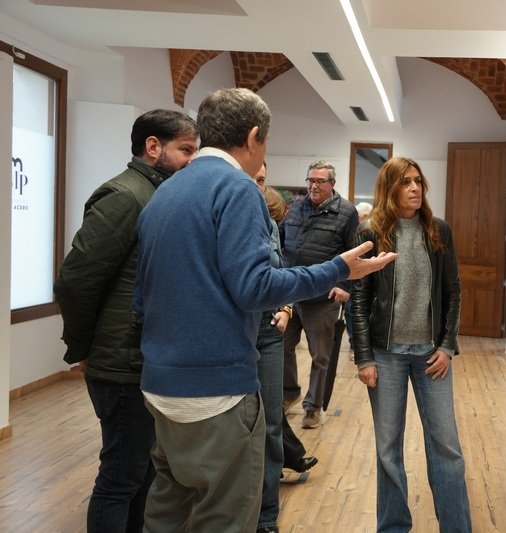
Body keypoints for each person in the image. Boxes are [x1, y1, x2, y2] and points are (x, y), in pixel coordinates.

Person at [133, 87, 396, 533]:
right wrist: (337, 270)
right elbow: (255, 288)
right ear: (254, 137)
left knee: (167, 512)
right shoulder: (237, 189)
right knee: (224, 516)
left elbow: (142, 296)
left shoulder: (165, 190)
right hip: (215, 393)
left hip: (161, 387)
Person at [53, 109, 198, 533]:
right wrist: (83, 348)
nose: (193, 159)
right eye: (186, 149)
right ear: (153, 147)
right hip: (121, 365)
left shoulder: (156, 194)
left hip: (144, 361)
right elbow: (76, 281)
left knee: (143, 475)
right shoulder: (125, 196)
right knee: (121, 478)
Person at [350, 156, 472, 533]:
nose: (415, 188)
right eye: (405, 182)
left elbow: (453, 291)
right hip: (385, 356)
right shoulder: (370, 235)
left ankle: (456, 527)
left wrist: (448, 345)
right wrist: (364, 357)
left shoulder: (438, 231)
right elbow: (359, 299)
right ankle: (393, 527)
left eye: (418, 181)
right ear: (390, 188)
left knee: (447, 447)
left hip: (429, 355)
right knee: (388, 449)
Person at [253, 163, 317, 533]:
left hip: (268, 330)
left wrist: (287, 306)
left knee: (271, 423)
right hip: (239, 332)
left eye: (262, 180)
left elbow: (280, 271)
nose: (257, 187)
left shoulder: (274, 226)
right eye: (253, 180)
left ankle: (266, 517)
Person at [281, 161, 359, 429]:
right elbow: (281, 243)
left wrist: (345, 286)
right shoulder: (296, 208)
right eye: (310, 180)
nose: (313, 186)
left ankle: (313, 407)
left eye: (320, 182)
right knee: (281, 346)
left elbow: (356, 252)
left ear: (332, 184)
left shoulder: (346, 213)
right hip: (290, 292)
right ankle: (289, 392)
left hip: (323, 296)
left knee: (320, 356)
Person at [347, 201, 374, 355]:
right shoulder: (356, 231)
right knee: (352, 311)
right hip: (354, 279)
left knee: (355, 310)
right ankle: (355, 346)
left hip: (365, 279)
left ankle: (358, 346)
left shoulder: (368, 230)